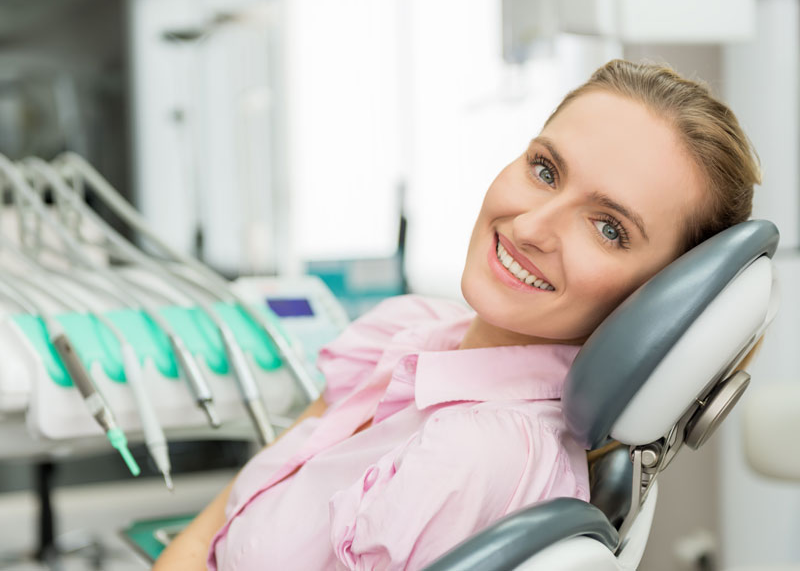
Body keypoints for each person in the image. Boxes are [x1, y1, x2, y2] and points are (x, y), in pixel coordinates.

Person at [154, 59, 760, 570]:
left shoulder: (478, 454)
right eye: (545, 170)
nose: (529, 227)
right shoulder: (407, 329)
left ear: (655, 299)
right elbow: (224, 515)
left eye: (609, 228)